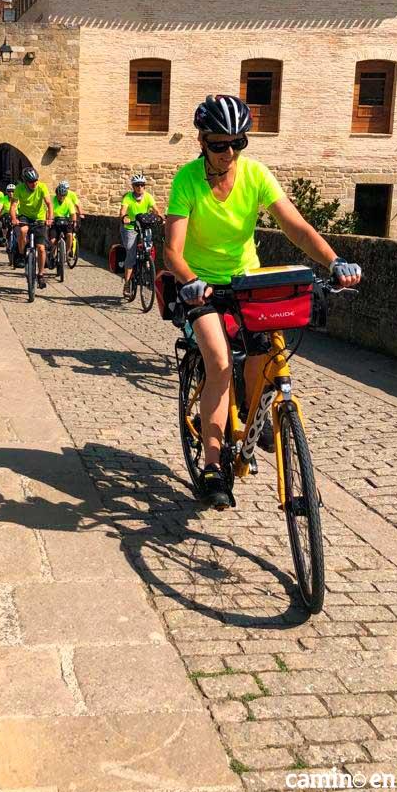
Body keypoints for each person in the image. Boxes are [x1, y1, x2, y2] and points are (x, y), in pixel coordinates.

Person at [164, 94, 361, 510]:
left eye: (238, 142)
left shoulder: (255, 175)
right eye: (219, 144)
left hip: (247, 283)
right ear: (202, 141)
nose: (229, 152)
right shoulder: (187, 180)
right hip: (202, 287)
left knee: (266, 355)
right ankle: (214, 467)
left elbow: (297, 227)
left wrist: (335, 260)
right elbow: (173, 251)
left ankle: (252, 423)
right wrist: (192, 280)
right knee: (218, 361)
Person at [119, 174, 161, 298]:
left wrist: (160, 217)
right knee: (131, 254)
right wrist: (124, 217)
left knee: (148, 247)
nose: (140, 187)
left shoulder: (148, 197)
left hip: (144, 226)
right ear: (133, 186)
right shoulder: (128, 197)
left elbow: (156, 210)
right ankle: (127, 283)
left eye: (142, 185)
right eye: (137, 185)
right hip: (130, 228)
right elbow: (123, 211)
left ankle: (147, 263)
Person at [10, 167, 53, 289]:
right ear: (25, 182)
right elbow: (13, 205)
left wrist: (49, 218)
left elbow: (49, 204)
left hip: (39, 218)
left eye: (35, 181)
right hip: (25, 216)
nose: (34, 183)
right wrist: (14, 218)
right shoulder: (19, 188)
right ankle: (21, 253)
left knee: (41, 248)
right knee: (23, 230)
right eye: (31, 182)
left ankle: (41, 274)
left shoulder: (42, 187)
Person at [50, 182, 78, 256]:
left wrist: (74, 221)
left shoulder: (68, 201)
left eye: (63, 196)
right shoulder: (53, 200)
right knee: (53, 241)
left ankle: (67, 251)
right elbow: (49, 211)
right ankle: (52, 255)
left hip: (66, 221)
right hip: (55, 221)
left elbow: (73, 213)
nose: (61, 197)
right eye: (60, 196)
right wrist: (49, 219)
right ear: (57, 194)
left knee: (69, 235)